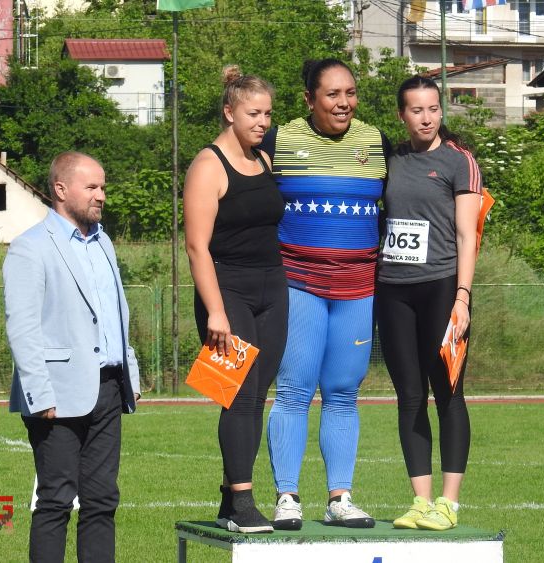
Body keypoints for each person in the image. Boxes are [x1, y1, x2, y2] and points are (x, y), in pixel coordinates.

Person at [259, 58, 390, 530]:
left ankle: (340, 498)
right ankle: (287, 497)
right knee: (294, 390)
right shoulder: (279, 140)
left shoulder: (376, 141)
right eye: (332, 94)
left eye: (350, 92)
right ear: (309, 99)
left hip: (358, 290)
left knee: (343, 393)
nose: (343, 102)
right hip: (299, 286)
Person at [4, 151, 141, 563]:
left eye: (103, 187)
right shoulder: (29, 247)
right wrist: (39, 393)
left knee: (102, 500)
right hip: (56, 395)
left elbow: (117, 313)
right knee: (55, 501)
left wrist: (130, 374)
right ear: (61, 190)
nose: (101, 195)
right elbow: (22, 327)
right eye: (92, 187)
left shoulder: (104, 243)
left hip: (109, 389)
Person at [375, 76, 483, 531]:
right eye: (417, 110)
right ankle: (420, 502)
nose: (426, 118)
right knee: (409, 396)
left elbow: (466, 236)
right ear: (402, 115)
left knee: (448, 394)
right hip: (393, 290)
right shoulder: (390, 159)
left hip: (442, 290)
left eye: (434, 109)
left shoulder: (460, 161)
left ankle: (448, 504)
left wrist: (462, 297)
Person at [184, 66, 287, 534]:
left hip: (272, 289)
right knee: (238, 396)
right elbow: (196, 246)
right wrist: (216, 311)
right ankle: (243, 501)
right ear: (229, 112)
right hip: (227, 292)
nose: (262, 122)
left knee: (257, 395)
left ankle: (229, 499)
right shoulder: (208, 166)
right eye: (253, 113)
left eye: (267, 114)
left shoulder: (263, 159)